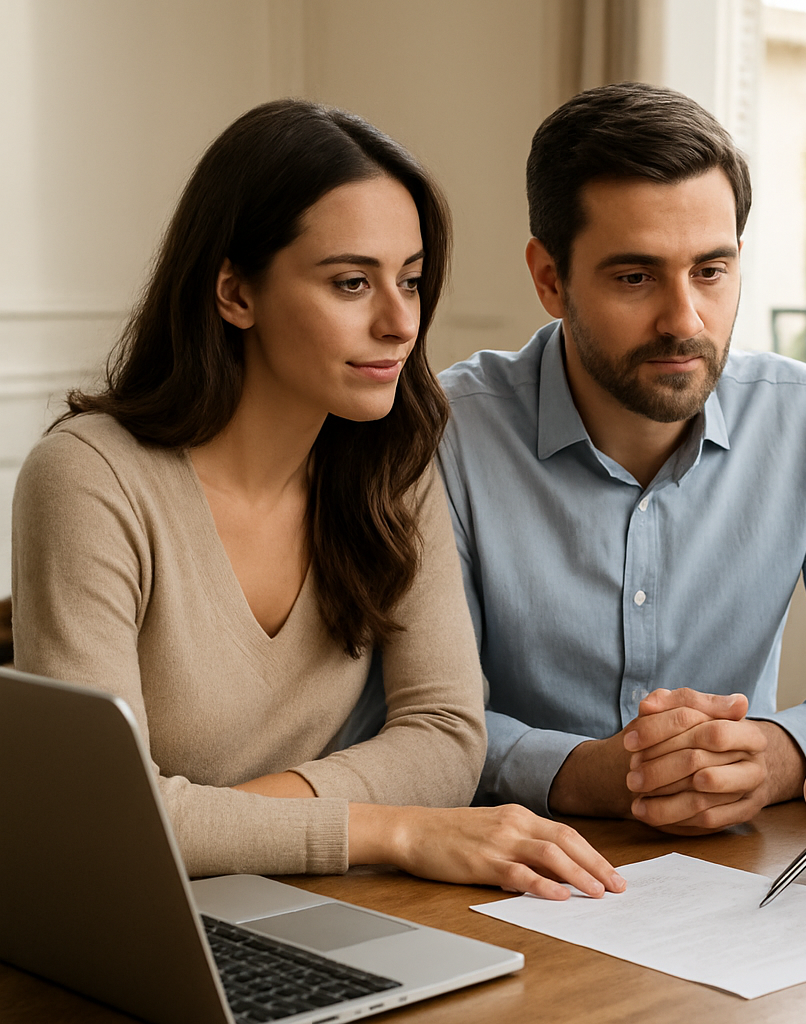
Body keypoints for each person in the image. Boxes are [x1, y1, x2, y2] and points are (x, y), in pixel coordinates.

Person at [11, 99, 623, 901]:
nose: (399, 323)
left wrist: (200, 822)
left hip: (315, 902)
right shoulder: (89, 478)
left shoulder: (392, 468)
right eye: (350, 282)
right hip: (132, 914)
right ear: (235, 292)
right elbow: (102, 820)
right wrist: (391, 826)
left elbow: (446, 738)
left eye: (409, 280)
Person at [437, 83, 806, 833]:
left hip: (732, 870)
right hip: (498, 866)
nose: (684, 319)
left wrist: (780, 750)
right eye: (635, 276)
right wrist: (586, 773)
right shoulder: (448, 436)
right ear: (550, 279)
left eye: (711, 271)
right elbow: (414, 714)